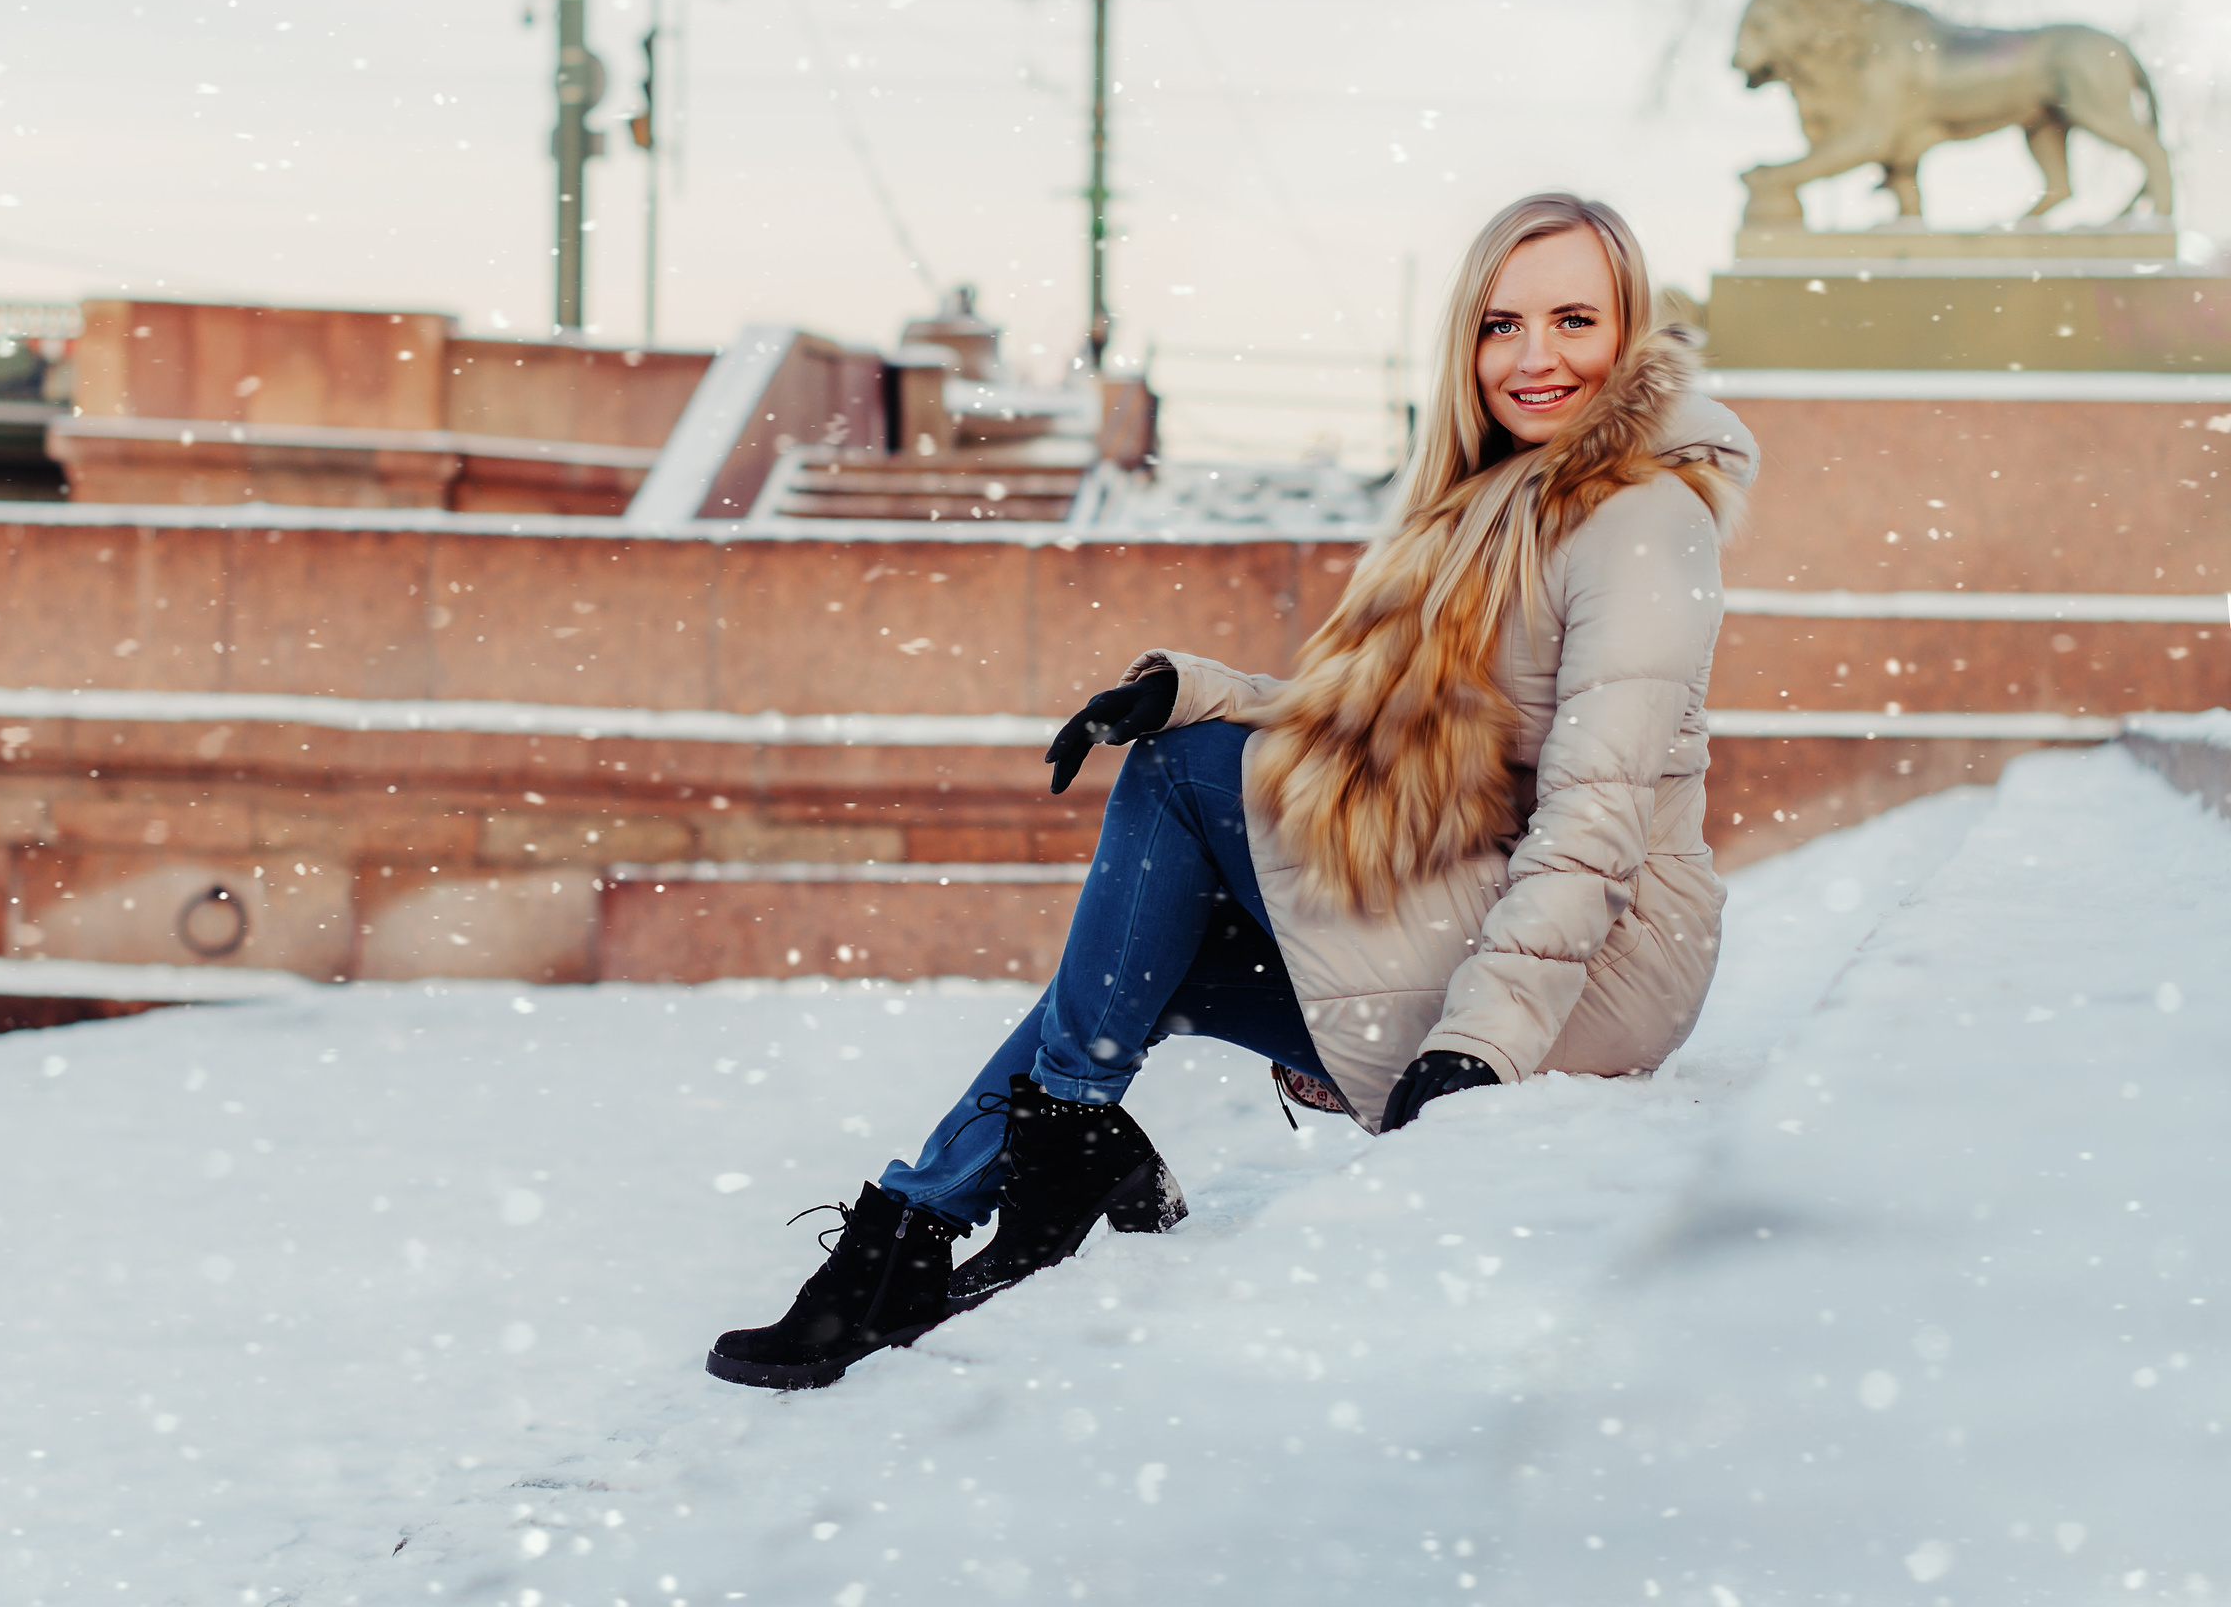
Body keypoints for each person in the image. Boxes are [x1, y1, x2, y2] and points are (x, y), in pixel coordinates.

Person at [705, 192, 1760, 1390]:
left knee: (1175, 798)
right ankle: (921, 1225)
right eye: (1501, 324)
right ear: (1464, 344)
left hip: (1601, 958)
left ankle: (988, 1193)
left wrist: (1479, 1045)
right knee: (1148, 942)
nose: (1535, 357)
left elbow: (1595, 819)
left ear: (1630, 333)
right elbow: (1365, 721)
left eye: (1574, 318)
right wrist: (1188, 690)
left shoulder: (1641, 520)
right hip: (1489, 898)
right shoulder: (1482, 510)